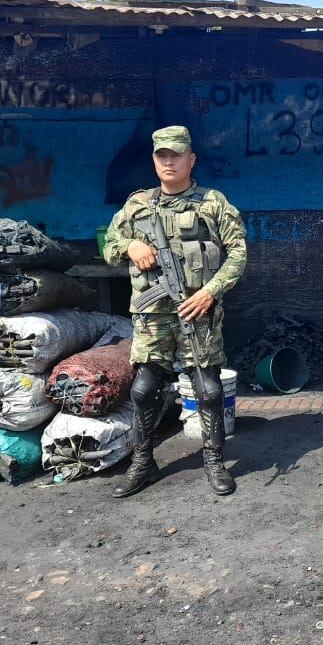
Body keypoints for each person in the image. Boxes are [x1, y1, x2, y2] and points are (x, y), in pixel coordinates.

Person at [102, 126, 247, 499]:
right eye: (162, 156)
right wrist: (131, 245)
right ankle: (143, 462)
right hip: (152, 315)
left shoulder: (212, 203)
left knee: (209, 388)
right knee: (144, 388)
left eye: (176, 155)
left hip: (197, 309)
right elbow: (108, 244)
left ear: (191, 159)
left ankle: (214, 460)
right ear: (154, 160)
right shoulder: (137, 205)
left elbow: (238, 253)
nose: (169, 162)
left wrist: (211, 292)